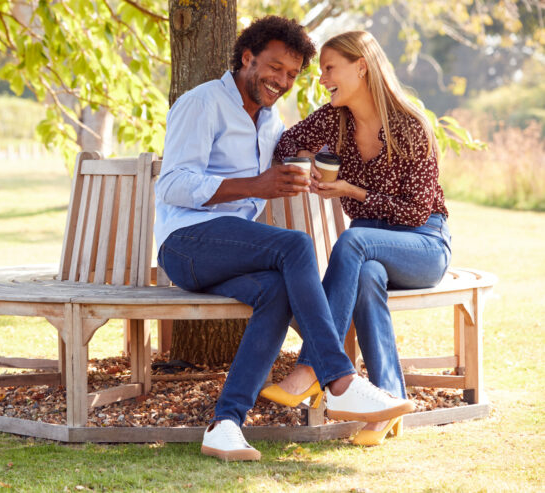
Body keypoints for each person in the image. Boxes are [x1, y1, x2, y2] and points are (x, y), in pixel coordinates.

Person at [155, 17, 414, 462]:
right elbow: (173, 184)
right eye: (274, 68)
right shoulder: (202, 104)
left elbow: (293, 154)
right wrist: (257, 185)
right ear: (247, 57)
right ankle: (339, 381)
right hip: (186, 244)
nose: (282, 81)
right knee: (294, 245)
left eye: (292, 75)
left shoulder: (272, 122)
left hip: (232, 254)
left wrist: (311, 173)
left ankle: (225, 424)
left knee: (275, 292)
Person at [267, 30, 452, 446]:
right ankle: (388, 403)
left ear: (361, 67)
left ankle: (314, 367)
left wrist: (352, 191)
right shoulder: (334, 120)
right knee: (366, 274)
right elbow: (285, 145)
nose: (322, 78)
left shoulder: (410, 127)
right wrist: (310, 162)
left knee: (355, 242)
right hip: (370, 247)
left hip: (423, 244)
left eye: (330, 68)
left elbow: (417, 211)